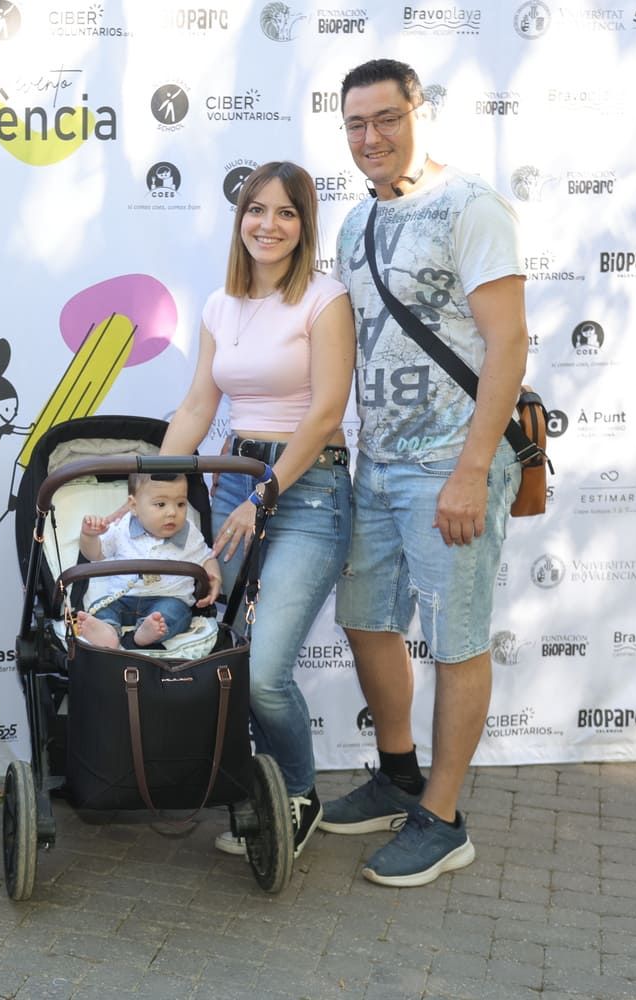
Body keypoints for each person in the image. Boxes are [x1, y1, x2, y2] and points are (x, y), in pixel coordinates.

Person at [324, 59, 527, 887]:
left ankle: (442, 817)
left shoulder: (470, 206)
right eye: (355, 125)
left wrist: (472, 470)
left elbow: (508, 342)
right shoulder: (353, 225)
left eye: (386, 119)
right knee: (367, 619)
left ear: (420, 112)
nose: (370, 139)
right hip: (377, 465)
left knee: (455, 638)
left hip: (454, 462)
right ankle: (397, 772)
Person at [159, 161, 355, 859]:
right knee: (234, 656)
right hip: (238, 479)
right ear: (239, 218)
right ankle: (260, 791)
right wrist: (149, 482)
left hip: (308, 488)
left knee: (266, 668)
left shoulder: (324, 299)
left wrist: (267, 493)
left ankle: (297, 797)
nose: (268, 224)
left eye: (286, 212)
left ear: (305, 226)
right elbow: (196, 407)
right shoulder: (220, 305)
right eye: (256, 210)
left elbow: (328, 407)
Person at [73, 474, 221, 649]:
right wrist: (89, 536)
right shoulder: (122, 528)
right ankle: (108, 630)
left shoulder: (189, 533)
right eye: (160, 504)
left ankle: (146, 633)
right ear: (134, 506)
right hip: (122, 598)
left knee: (176, 614)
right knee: (101, 607)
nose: (172, 512)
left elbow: (207, 558)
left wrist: (215, 577)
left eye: (181, 504)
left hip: (168, 599)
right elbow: (94, 554)